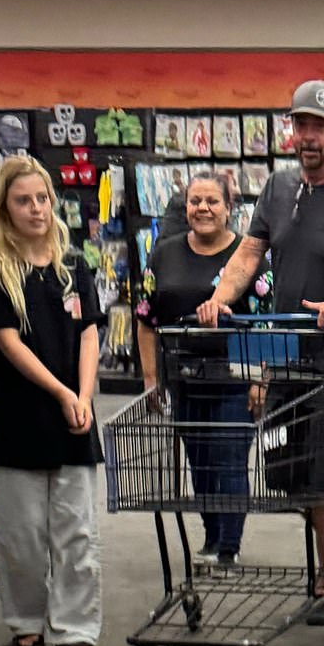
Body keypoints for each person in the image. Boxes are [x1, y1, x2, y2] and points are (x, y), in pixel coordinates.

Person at [196, 80, 324, 619]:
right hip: (285, 349)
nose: (308, 136)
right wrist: (218, 296)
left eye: (319, 126)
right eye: (300, 125)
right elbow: (248, 255)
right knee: (284, 470)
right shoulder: (278, 189)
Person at [0, 155, 103, 646]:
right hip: (22, 418)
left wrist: (84, 395)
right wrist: (61, 392)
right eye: (23, 201)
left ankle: (75, 626)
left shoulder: (75, 266)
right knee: (21, 533)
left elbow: (89, 330)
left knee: (77, 531)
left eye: (43, 199)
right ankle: (26, 618)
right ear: (5, 208)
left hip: (76, 416)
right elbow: (7, 341)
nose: (36, 210)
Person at [136, 172, 273, 564]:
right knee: (199, 462)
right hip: (183, 377)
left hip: (235, 377)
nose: (203, 208)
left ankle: (228, 547)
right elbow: (146, 319)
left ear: (229, 209)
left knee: (228, 459)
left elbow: (265, 320)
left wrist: (260, 379)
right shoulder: (164, 252)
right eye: (195, 201)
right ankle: (212, 538)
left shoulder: (249, 258)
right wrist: (151, 378)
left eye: (212, 201)